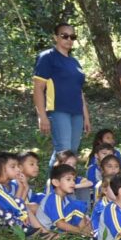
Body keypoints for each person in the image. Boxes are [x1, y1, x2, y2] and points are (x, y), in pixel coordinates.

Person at [33, 23, 91, 167]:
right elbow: (38, 88)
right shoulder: (47, 57)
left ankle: (60, 185)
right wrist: (42, 116)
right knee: (64, 153)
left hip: (76, 112)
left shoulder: (75, 62)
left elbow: (79, 91)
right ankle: (54, 188)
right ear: (55, 37)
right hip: (58, 110)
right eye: (64, 36)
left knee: (71, 153)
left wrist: (86, 117)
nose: (69, 39)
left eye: (73, 36)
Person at [37, 164, 92, 237]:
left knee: (78, 206)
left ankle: (86, 234)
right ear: (56, 182)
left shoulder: (66, 198)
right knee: (77, 206)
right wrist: (80, 231)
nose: (73, 182)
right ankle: (84, 234)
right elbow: (60, 224)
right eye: (68, 179)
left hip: (58, 230)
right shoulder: (53, 198)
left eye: (74, 180)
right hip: (48, 232)